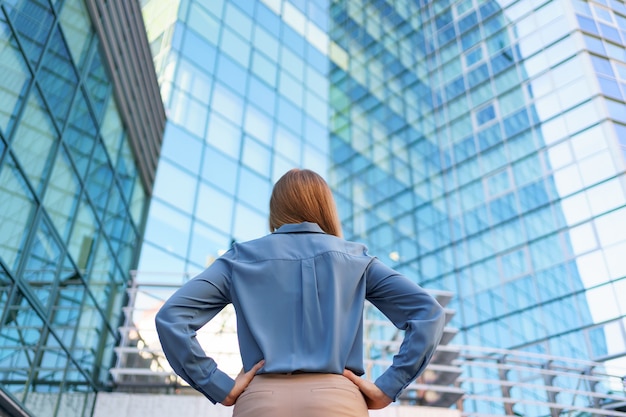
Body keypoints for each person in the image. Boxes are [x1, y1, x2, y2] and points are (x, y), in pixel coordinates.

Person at [155, 168, 446, 417]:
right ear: (325, 207)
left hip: (261, 401)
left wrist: (218, 384)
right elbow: (428, 313)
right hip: (337, 400)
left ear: (276, 210)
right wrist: (388, 386)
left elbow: (173, 318)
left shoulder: (239, 258)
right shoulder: (356, 258)